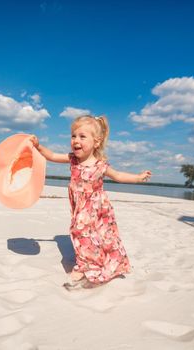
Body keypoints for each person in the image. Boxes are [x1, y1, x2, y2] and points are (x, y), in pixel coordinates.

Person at [30, 115, 152, 289]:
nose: (76, 140)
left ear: (96, 142)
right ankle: (92, 260)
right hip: (79, 205)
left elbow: (118, 176)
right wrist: (38, 145)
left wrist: (138, 178)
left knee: (82, 231)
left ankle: (84, 266)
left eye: (82, 136)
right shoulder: (73, 159)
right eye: (73, 136)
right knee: (88, 235)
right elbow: (51, 155)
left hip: (96, 206)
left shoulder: (100, 165)